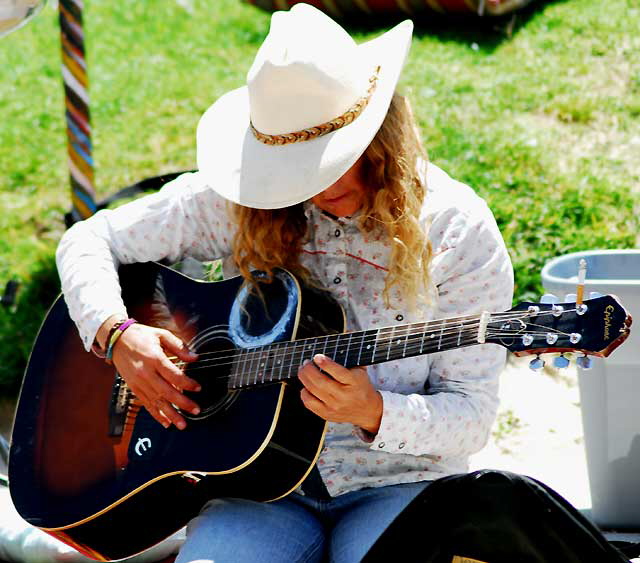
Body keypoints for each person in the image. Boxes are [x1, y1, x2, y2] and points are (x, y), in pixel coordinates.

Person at [56, 4, 514, 562]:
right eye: (298, 168)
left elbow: (472, 417)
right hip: (253, 494)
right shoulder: (241, 198)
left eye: (331, 160)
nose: (318, 187)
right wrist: (116, 333)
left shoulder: (456, 232)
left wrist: (375, 412)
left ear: (379, 135)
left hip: (401, 488)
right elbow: (87, 240)